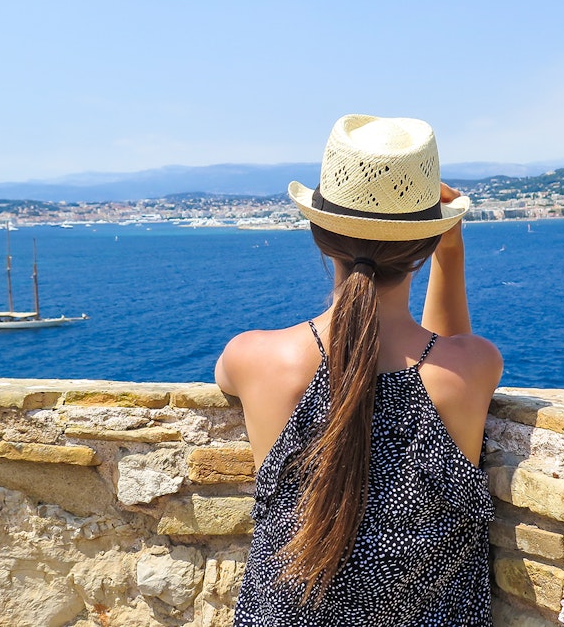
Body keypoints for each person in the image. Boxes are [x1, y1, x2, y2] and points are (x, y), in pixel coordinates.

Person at [215, 114, 503, 626]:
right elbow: (446, 346)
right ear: (425, 245)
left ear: (319, 234)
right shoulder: (472, 367)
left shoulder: (253, 358)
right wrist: (450, 251)